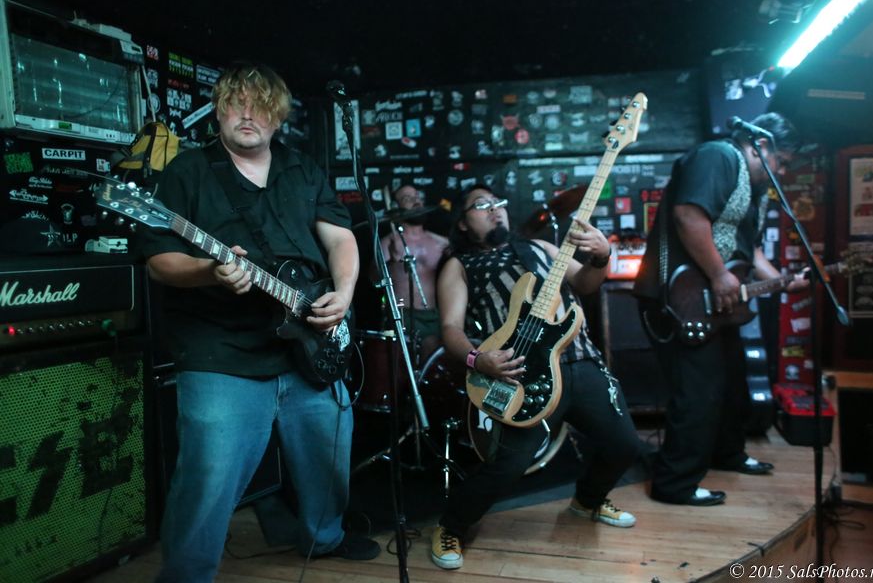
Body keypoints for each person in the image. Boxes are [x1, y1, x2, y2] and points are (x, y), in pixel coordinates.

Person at [140, 63, 380, 583]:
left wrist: (342, 293)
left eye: (261, 106)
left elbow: (340, 237)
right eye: (236, 104)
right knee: (207, 477)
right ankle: (185, 576)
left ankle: (325, 537)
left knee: (330, 454)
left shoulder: (302, 169)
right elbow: (159, 262)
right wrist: (209, 270)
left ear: (279, 117)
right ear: (219, 111)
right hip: (220, 351)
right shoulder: (187, 172)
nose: (247, 115)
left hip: (309, 344)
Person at [429, 184, 642, 570]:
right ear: (462, 223)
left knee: (625, 444)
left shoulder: (542, 248)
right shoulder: (459, 265)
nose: (495, 209)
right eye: (482, 205)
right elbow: (450, 329)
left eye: (499, 203)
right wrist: (478, 360)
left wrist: (601, 256)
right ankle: (451, 525)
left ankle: (588, 501)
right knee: (507, 467)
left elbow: (587, 283)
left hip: (581, 360)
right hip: (523, 374)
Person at [633, 112, 809, 507]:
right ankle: (674, 484)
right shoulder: (718, 157)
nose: (781, 172)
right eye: (780, 161)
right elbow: (688, 215)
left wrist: (783, 281)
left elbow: (751, 251)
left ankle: (727, 453)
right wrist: (718, 274)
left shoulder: (754, 190)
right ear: (760, 145)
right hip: (679, 297)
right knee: (698, 391)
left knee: (732, 383)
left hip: (715, 301)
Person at [375, 184, 448, 359]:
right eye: (408, 198)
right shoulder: (389, 242)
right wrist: (391, 261)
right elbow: (373, 279)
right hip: (403, 316)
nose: (416, 201)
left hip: (435, 314)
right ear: (396, 207)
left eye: (417, 196)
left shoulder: (441, 243)